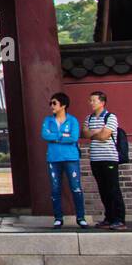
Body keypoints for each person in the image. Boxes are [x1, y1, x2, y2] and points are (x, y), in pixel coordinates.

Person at [42, 92, 88, 228]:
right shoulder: (48, 120)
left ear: (63, 105)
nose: (51, 106)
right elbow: (44, 135)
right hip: (53, 158)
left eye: (54, 103)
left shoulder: (72, 120)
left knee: (76, 187)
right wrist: (62, 135)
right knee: (55, 188)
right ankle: (58, 217)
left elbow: (73, 137)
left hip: (70, 158)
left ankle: (80, 217)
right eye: (50, 103)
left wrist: (55, 137)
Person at [84, 91, 126, 229]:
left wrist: (94, 133)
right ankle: (108, 218)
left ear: (102, 102)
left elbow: (105, 135)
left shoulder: (110, 117)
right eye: (90, 100)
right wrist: (98, 132)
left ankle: (119, 219)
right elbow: (84, 133)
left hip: (109, 158)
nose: (91, 103)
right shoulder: (88, 118)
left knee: (113, 188)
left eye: (93, 100)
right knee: (102, 189)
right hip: (95, 158)